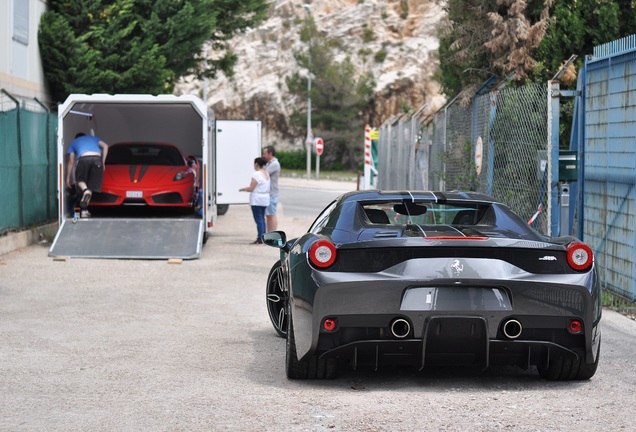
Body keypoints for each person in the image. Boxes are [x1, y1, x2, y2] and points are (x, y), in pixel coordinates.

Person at [66, 132, 109, 218]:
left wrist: (67, 177)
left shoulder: (74, 142)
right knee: (90, 186)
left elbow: (71, 161)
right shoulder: (94, 138)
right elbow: (106, 146)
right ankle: (85, 211)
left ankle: (85, 191)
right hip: (97, 160)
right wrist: (103, 162)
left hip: (84, 158)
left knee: (80, 180)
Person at [239, 157, 270, 244]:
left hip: (257, 199)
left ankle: (260, 238)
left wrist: (242, 189)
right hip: (265, 199)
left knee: (259, 219)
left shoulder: (256, 174)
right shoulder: (266, 173)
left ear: (256, 164)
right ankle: (263, 237)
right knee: (262, 219)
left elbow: (251, 188)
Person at [262, 145, 280, 231]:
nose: (263, 156)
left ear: (270, 153)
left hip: (272, 194)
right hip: (268, 194)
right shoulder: (269, 163)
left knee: (272, 215)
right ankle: (269, 234)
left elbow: (265, 174)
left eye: (265, 154)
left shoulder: (274, 164)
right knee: (268, 215)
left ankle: (273, 234)